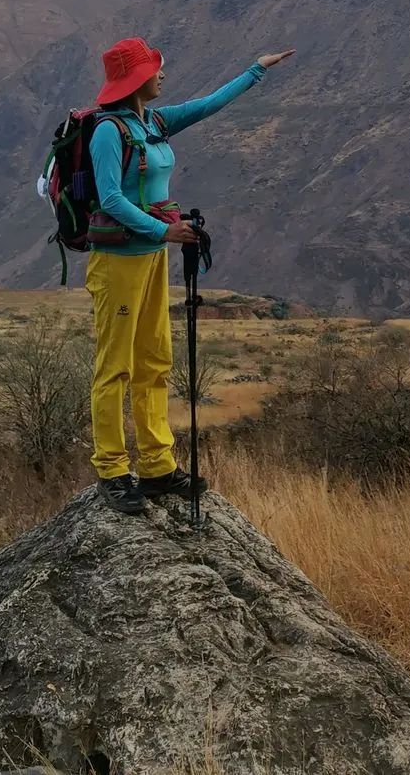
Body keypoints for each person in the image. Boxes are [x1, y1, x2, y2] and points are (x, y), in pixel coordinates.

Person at [86, 35, 294, 513]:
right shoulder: (107, 132)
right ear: (137, 79)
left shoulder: (152, 121)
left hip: (150, 258)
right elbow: (111, 198)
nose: (163, 74)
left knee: (154, 360)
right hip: (117, 264)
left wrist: (256, 69)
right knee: (114, 367)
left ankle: (157, 466)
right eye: (156, 68)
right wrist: (164, 231)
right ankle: (113, 470)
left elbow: (207, 105)